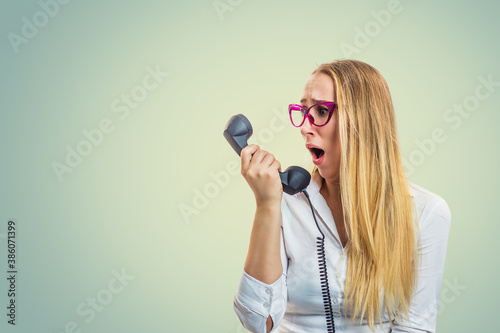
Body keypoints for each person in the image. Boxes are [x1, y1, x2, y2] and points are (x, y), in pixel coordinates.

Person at [232, 59, 451, 333]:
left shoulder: (426, 213)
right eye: (303, 110)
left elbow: (415, 327)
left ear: (362, 121)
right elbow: (257, 321)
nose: (304, 127)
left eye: (321, 110)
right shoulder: (285, 202)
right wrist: (266, 205)